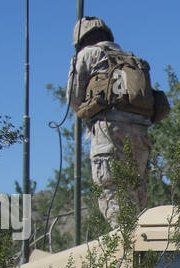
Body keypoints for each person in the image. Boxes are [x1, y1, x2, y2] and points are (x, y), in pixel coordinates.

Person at [66, 17, 166, 226]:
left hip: (108, 132)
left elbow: (74, 100)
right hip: (140, 134)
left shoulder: (86, 55)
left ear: (81, 40)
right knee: (136, 196)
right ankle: (140, 249)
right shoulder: (133, 60)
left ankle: (125, 251)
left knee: (113, 195)